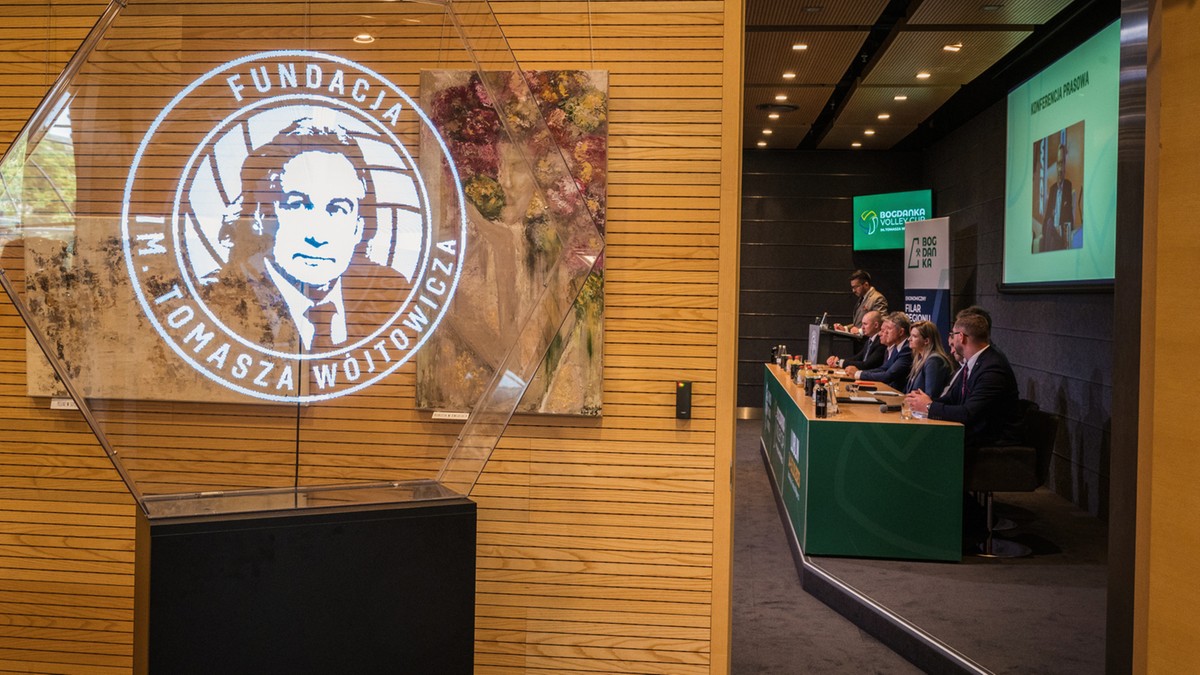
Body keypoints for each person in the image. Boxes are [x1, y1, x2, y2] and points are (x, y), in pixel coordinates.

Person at [205, 117, 412, 353]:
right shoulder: (215, 299)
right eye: (297, 205)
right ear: (262, 217)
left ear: (358, 228)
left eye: (337, 209)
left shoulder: (393, 294)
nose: (318, 236)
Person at [905, 313, 1019, 449]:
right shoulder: (974, 363)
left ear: (961, 337)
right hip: (974, 435)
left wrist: (929, 406)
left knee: (922, 444)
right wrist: (921, 402)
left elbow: (968, 413)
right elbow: (953, 398)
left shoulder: (992, 367)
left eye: (953, 334)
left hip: (992, 443)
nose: (951, 340)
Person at [845, 312, 912, 390]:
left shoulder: (907, 349)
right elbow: (883, 368)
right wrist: (860, 373)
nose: (885, 332)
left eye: (889, 329)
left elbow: (888, 375)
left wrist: (858, 374)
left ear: (901, 332)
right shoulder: (897, 347)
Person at [1040, 140, 1074, 252]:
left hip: (1061, 237)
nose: (1060, 168)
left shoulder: (1068, 186)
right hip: (1051, 236)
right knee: (1049, 223)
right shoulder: (1053, 189)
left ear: (1065, 166)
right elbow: (1046, 221)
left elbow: (1070, 217)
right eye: (1058, 163)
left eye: (1062, 163)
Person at [905, 320, 954, 395]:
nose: (909, 339)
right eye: (910, 335)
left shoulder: (934, 361)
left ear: (926, 341)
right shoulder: (920, 358)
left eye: (914, 336)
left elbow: (931, 395)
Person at [834, 269, 887, 335]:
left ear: (866, 284)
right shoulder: (862, 298)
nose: (853, 290)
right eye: (852, 287)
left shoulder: (878, 298)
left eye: (856, 287)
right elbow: (858, 323)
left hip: (869, 341)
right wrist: (845, 328)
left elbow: (881, 322)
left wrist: (860, 331)